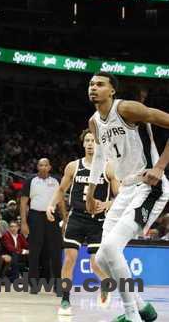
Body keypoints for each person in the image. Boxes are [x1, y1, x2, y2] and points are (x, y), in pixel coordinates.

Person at [85, 72, 169, 322]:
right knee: (102, 257)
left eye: (100, 84)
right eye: (91, 84)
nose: (93, 88)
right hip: (126, 189)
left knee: (111, 248)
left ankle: (132, 315)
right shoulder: (94, 122)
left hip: (149, 186)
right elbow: (99, 157)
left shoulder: (127, 109)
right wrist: (91, 191)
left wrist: (160, 167)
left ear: (112, 90)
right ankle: (143, 307)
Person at [46, 129, 119, 316]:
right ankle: (65, 299)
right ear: (83, 143)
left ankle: (105, 282)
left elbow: (120, 195)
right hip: (76, 217)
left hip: (97, 220)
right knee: (69, 258)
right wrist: (51, 205)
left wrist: (109, 203)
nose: (90, 144)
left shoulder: (108, 167)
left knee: (95, 263)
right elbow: (61, 189)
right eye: (87, 140)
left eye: (93, 140)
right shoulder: (73, 166)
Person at [20, 158, 64, 292]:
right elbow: (23, 203)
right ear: (37, 167)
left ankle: (58, 285)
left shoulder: (56, 180)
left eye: (46, 165)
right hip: (35, 217)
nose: (43, 167)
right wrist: (23, 222)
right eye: (41, 165)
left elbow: (61, 201)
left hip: (52, 216)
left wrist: (65, 219)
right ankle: (34, 285)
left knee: (56, 251)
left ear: (50, 167)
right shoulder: (30, 181)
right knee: (34, 251)